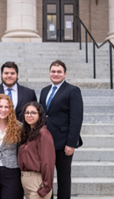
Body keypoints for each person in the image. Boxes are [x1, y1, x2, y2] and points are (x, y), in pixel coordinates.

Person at [39, 60, 83, 199]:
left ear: (64, 74)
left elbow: (76, 119)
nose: (55, 74)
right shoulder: (44, 90)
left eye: (59, 72)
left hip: (64, 143)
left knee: (63, 178)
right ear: (49, 73)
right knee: (46, 177)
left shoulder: (73, 90)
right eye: (53, 71)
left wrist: (71, 143)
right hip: (46, 142)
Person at [18, 101, 56, 199]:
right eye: (27, 112)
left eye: (33, 113)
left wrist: (46, 187)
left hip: (37, 183)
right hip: (27, 182)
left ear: (40, 115)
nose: (29, 115)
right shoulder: (29, 133)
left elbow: (48, 162)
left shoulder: (43, 134)